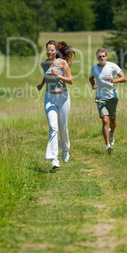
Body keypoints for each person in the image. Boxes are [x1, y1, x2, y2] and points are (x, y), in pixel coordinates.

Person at [37, 40, 75, 169]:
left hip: (63, 98)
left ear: (56, 51)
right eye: (48, 50)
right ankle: (54, 159)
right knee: (53, 127)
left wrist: (58, 75)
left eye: (52, 50)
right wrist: (42, 84)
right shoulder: (44, 64)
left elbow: (70, 81)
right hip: (49, 97)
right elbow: (46, 75)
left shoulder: (62, 63)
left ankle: (65, 149)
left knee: (63, 127)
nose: (49, 52)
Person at [89, 48, 127, 154]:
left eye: (103, 56)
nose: (101, 58)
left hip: (112, 97)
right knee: (105, 121)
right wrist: (93, 84)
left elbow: (124, 78)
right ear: (97, 58)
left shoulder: (112, 66)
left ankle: (112, 133)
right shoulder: (94, 68)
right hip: (100, 98)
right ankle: (107, 145)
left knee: (113, 121)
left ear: (106, 56)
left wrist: (114, 80)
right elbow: (91, 77)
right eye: (99, 57)